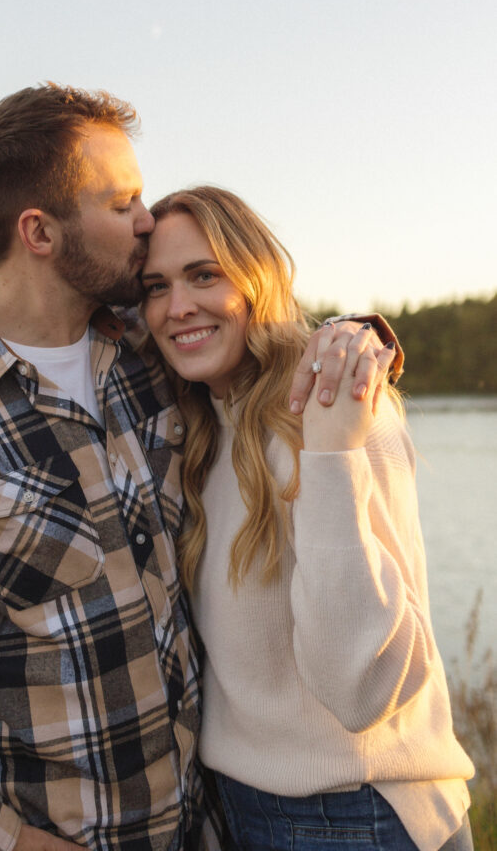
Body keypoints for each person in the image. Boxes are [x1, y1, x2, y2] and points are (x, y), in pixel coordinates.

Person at [0, 84, 393, 851]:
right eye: (122, 203)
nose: (145, 221)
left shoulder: (144, 350)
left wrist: (359, 338)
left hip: (203, 826)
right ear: (39, 231)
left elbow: (255, 335)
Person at [139, 185, 474, 851]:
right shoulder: (204, 425)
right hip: (239, 809)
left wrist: (330, 453)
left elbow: (359, 691)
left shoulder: (340, 409)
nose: (177, 308)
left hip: (358, 817)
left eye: (204, 275)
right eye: (154, 287)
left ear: (254, 277)